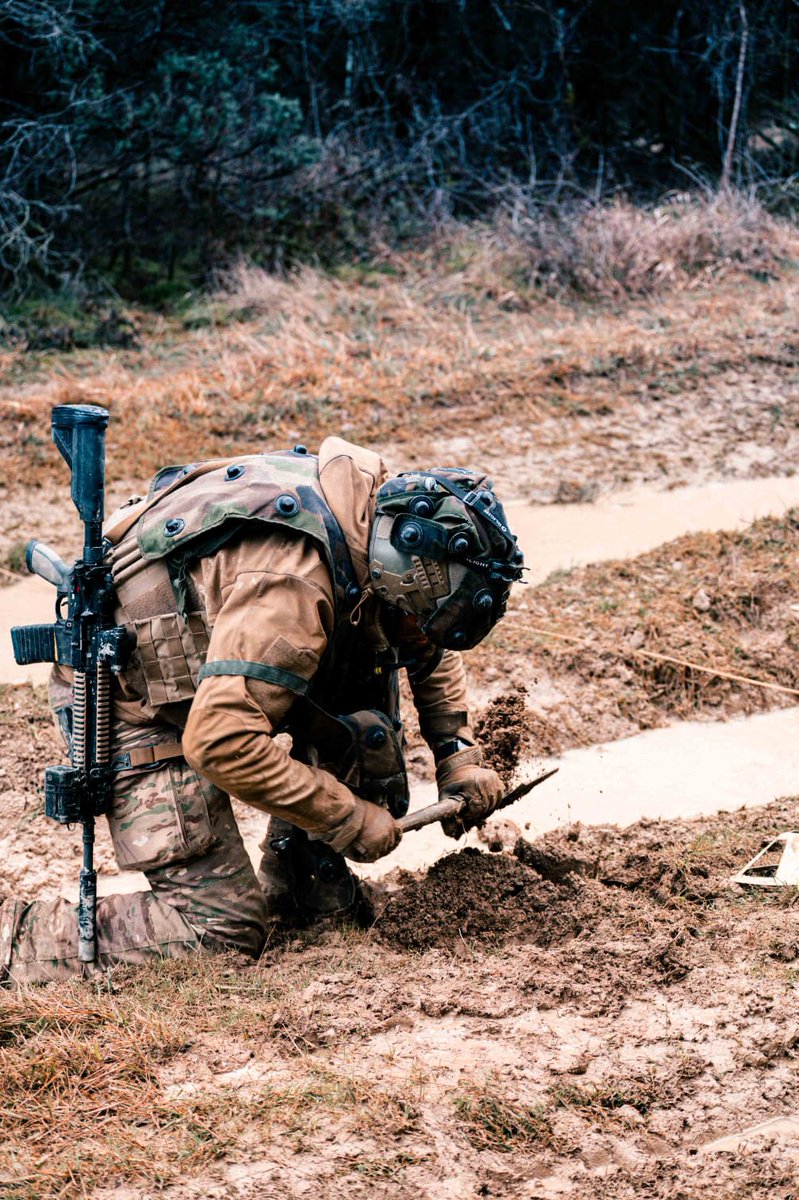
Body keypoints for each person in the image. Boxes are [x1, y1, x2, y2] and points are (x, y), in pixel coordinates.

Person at [0, 437, 524, 984]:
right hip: (134, 701)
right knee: (221, 933)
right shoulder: (293, 590)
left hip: (229, 668)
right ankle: (14, 940)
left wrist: (456, 753)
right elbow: (220, 743)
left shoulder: (383, 524)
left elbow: (425, 644)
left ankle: (300, 882)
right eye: (419, 619)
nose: (424, 639)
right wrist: (345, 817)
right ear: (396, 580)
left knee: (368, 739)